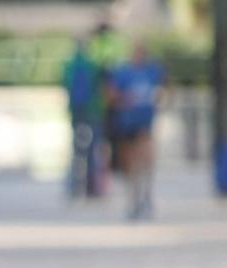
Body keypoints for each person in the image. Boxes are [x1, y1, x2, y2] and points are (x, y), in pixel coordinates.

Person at [107, 41, 166, 220]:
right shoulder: (123, 73)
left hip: (145, 123)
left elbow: (165, 87)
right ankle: (133, 200)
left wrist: (160, 101)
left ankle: (146, 197)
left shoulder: (152, 71)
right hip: (128, 124)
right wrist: (125, 101)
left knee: (147, 160)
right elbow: (111, 94)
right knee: (131, 165)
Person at [62, 35, 106, 200]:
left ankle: (74, 186)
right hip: (93, 111)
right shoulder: (92, 64)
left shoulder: (69, 64)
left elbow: (65, 85)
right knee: (93, 149)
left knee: (76, 150)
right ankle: (91, 188)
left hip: (76, 111)